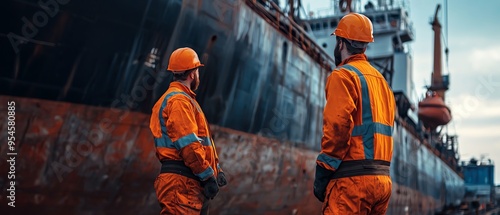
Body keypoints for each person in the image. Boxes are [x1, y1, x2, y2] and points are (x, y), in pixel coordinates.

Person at [313, 13, 395, 214]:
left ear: (341, 43)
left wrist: (324, 169)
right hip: (382, 182)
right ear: (365, 45)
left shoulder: (343, 76)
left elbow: (337, 128)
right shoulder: (382, 83)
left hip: (353, 183)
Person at [149, 47, 227, 214]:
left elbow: (198, 142)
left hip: (189, 182)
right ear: (192, 74)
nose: (198, 75)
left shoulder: (182, 100)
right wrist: (207, 176)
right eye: (197, 70)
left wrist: (216, 170)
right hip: (182, 183)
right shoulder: (179, 101)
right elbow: (189, 145)